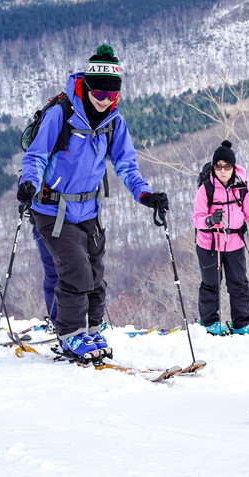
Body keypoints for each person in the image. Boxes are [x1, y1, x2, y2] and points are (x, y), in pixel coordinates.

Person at [17, 43, 169, 363]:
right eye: (98, 93)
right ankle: (71, 334)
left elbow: (126, 166)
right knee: (76, 272)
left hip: (90, 210)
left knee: (96, 275)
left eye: (110, 95)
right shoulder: (62, 114)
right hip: (52, 209)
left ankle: (92, 328)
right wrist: (28, 183)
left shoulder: (114, 122)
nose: (103, 100)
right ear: (86, 87)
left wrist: (145, 194)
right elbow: (36, 156)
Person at [193, 140, 249, 336]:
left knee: (239, 283)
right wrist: (210, 220)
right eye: (218, 166)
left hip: (234, 242)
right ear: (213, 168)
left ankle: (243, 323)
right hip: (210, 244)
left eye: (226, 166)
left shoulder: (242, 188)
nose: (222, 170)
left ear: (233, 167)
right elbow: (197, 219)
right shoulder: (206, 189)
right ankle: (210, 322)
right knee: (211, 283)